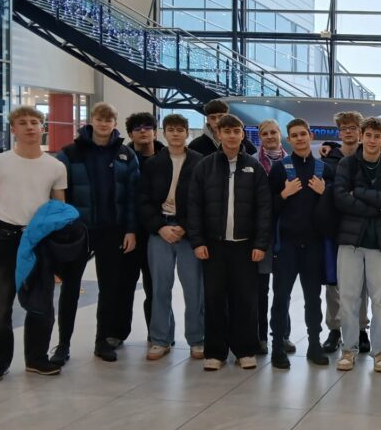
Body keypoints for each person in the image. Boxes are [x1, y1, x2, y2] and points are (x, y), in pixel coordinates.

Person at [0, 106, 68, 381]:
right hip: (5, 237)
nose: (29, 127)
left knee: (41, 304)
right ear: (13, 129)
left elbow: (59, 210)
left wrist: (60, 253)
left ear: (42, 128)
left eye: (34, 122)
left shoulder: (55, 166)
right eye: (23, 123)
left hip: (39, 240)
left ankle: (36, 359)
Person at [54, 102, 139, 364]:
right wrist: (63, 228)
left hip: (112, 230)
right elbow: (58, 192)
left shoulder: (126, 154)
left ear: (115, 123)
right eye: (99, 119)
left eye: (108, 119)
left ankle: (102, 341)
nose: (104, 124)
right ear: (91, 120)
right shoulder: (70, 153)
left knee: (109, 287)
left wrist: (131, 230)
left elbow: (133, 197)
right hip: (78, 231)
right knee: (70, 287)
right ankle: (63, 345)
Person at [187, 114, 271, 371]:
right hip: (213, 246)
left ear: (242, 135)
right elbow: (194, 206)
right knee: (214, 299)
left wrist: (260, 244)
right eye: (227, 131)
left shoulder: (253, 167)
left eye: (236, 131)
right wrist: (197, 241)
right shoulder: (205, 166)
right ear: (218, 134)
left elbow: (264, 208)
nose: (232, 136)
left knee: (245, 299)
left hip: (245, 246)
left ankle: (245, 350)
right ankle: (216, 352)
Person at [333, 116, 381, 372]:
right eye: (368, 136)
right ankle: (349, 350)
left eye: (377, 136)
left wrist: (361, 194)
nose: (372, 140)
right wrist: (377, 207)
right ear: (361, 137)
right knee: (348, 298)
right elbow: (340, 198)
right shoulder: (347, 163)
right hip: (351, 242)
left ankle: (380, 352)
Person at [137, 113, 205, 361]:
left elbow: (203, 200)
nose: (175, 134)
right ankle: (160, 338)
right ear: (163, 133)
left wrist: (185, 226)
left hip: (189, 233)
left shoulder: (200, 162)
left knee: (194, 289)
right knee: (160, 287)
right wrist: (159, 227)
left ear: (187, 132)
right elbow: (143, 200)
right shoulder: (152, 164)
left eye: (180, 129)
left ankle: (197, 339)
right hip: (160, 231)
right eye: (171, 130)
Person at [267, 118, 333, 369]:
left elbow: (336, 206)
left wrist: (325, 192)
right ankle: (277, 347)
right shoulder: (279, 169)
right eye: (294, 135)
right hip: (286, 246)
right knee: (281, 298)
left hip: (313, 246)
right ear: (289, 139)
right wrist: (284, 194)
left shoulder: (324, 169)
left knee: (313, 299)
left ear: (311, 135)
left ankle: (315, 345)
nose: (299, 139)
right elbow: (267, 208)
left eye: (303, 134)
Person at [115, 111, 166, 344]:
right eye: (137, 128)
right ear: (130, 134)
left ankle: (157, 333)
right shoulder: (121, 159)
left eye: (148, 127)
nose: (143, 131)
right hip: (128, 231)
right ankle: (117, 333)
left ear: (155, 132)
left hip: (157, 231)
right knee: (123, 285)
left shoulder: (167, 159)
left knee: (156, 287)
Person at [321, 111, 370, 353]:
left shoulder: (369, 157)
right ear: (339, 132)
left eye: (353, 128)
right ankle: (335, 328)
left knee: (361, 283)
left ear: (360, 131)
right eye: (344, 128)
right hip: (335, 228)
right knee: (334, 282)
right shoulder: (329, 160)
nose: (349, 132)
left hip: (362, 227)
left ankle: (361, 329)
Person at [255, 119, 288, 355]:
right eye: (265, 133)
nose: (269, 136)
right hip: (260, 234)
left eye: (273, 132)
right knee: (260, 289)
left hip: (285, 232)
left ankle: (283, 335)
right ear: (260, 137)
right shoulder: (252, 162)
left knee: (283, 290)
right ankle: (260, 336)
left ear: (280, 134)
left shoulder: (291, 162)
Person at [189, 99, 257, 156]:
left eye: (220, 116)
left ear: (227, 116)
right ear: (208, 120)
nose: (217, 121)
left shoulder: (245, 144)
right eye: (213, 118)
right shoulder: (196, 146)